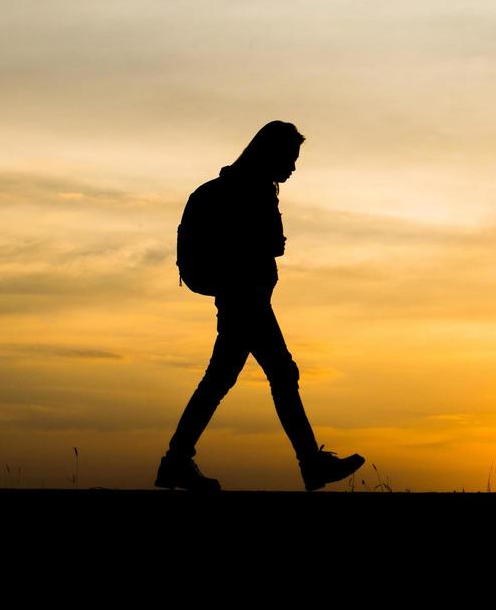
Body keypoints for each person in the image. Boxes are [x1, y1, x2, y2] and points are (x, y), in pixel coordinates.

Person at [155, 121, 364, 492]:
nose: (294, 167)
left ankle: (177, 460)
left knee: (226, 378)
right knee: (278, 374)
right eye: (290, 158)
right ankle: (310, 463)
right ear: (272, 154)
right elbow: (260, 246)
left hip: (244, 296)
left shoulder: (247, 189)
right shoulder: (248, 191)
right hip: (244, 297)